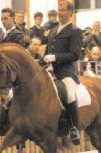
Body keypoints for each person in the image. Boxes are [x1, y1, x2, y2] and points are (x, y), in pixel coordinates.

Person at [44, 1, 82, 145]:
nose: (59, 13)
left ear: (70, 13)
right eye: (59, 10)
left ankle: (74, 128)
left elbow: (74, 55)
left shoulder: (75, 31)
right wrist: (44, 61)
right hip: (50, 70)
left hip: (66, 72)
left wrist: (55, 57)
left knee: (70, 94)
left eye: (63, 11)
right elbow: (48, 52)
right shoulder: (53, 30)